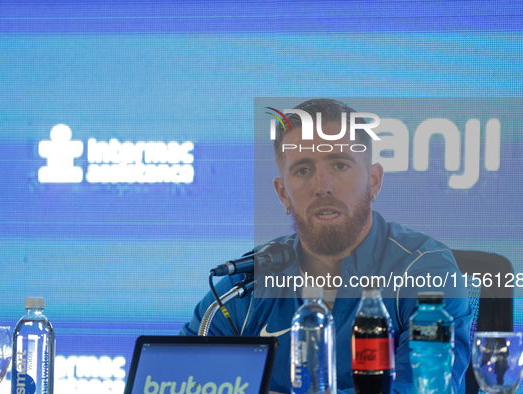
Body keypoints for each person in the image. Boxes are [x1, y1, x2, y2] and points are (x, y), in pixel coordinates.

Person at [180, 99, 472, 394]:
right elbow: (177, 376)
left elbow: (423, 390)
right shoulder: (249, 282)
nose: (323, 186)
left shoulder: (425, 268)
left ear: (374, 181)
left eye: (340, 165)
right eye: (303, 170)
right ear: (283, 194)